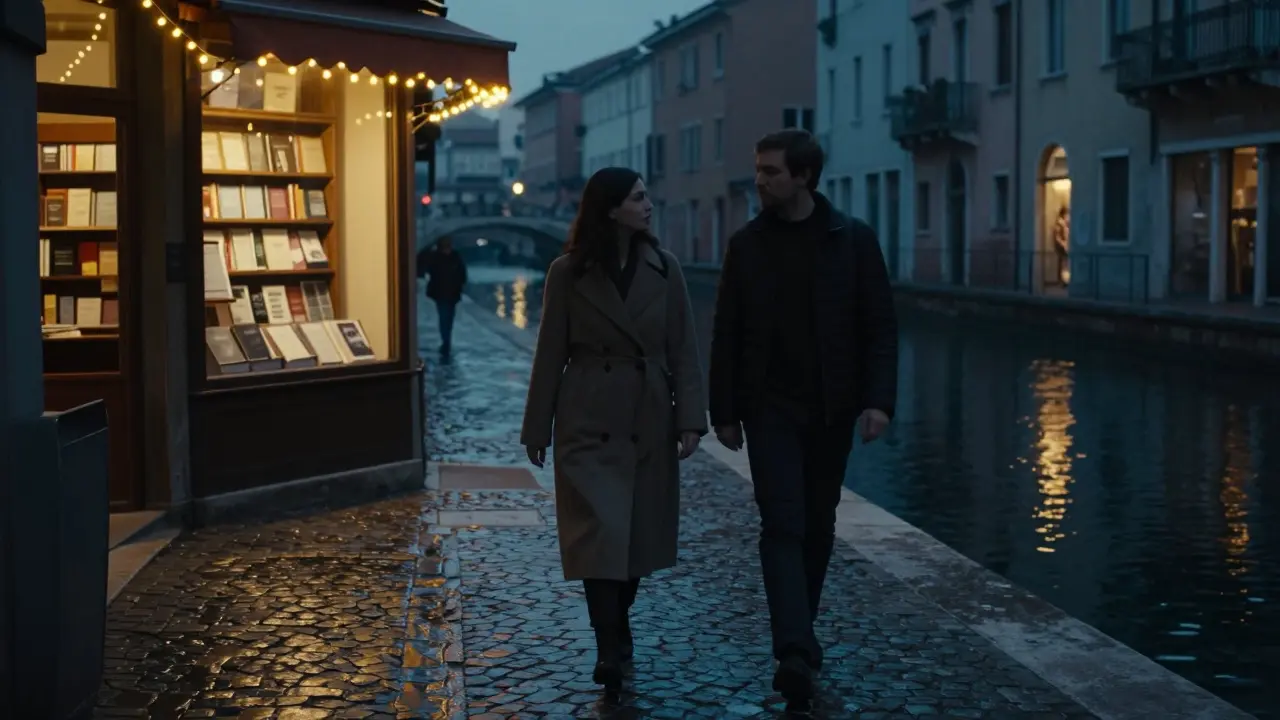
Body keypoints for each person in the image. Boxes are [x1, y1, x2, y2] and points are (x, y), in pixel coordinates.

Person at [708, 130, 898, 710]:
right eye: (759, 170)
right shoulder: (747, 244)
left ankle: (800, 640)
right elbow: (727, 332)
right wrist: (725, 412)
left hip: (832, 407)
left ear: (805, 177)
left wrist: (879, 401)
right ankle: (793, 648)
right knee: (782, 524)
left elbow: (879, 328)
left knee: (818, 525)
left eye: (770, 172)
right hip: (770, 408)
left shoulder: (853, 241)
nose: (760, 180)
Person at [520, 167, 706, 694]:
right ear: (610, 208)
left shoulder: (665, 269)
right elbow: (549, 350)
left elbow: (684, 349)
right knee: (599, 532)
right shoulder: (567, 272)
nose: (648, 205)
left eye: (647, 196)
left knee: (634, 538)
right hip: (587, 414)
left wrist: (691, 419)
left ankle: (618, 621)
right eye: (638, 198)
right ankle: (608, 647)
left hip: (647, 416)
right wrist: (537, 426)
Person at [423, 237, 467, 355]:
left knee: (447, 317)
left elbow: (428, 271)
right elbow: (462, 274)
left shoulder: (436, 258)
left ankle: (446, 339)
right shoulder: (454, 257)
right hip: (446, 293)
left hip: (447, 293)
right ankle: (446, 340)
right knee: (445, 317)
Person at [1053, 206, 1070, 286]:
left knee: (1063, 264)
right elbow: (1058, 236)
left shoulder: (1062, 224)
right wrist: (1063, 244)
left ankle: (1063, 280)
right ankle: (1062, 281)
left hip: (1063, 245)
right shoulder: (1060, 224)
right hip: (1062, 246)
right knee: (1063, 264)